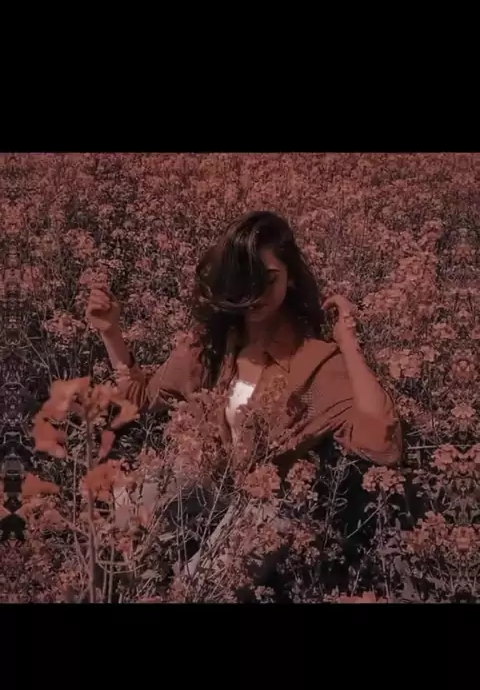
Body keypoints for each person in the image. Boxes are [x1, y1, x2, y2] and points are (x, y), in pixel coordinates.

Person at [86, 211, 402, 500]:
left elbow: (383, 445)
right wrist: (110, 332)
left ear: (290, 276)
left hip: (259, 511)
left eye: (268, 279)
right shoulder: (209, 345)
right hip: (193, 493)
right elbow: (141, 399)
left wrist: (348, 343)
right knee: (126, 506)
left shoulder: (316, 363)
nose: (255, 293)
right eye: (245, 279)